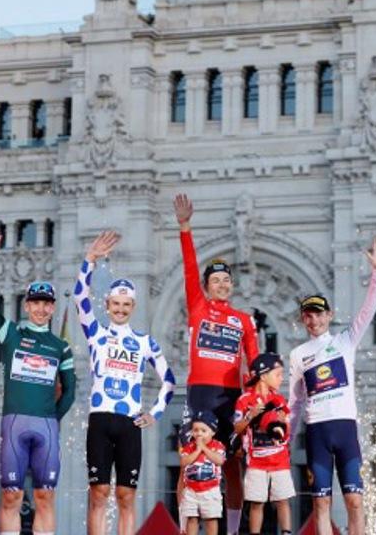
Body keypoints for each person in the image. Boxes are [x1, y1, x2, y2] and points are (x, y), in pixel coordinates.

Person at [0, 232, 76, 535]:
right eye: (36, 303)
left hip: (46, 427)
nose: (41, 309)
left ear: (53, 308)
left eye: (47, 304)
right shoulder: (11, 334)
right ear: (27, 307)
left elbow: (70, 390)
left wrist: (53, 418)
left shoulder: (61, 346)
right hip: (14, 425)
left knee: (45, 497)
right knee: (11, 496)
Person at [74, 230, 175, 535]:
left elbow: (169, 381)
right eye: (115, 305)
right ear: (108, 304)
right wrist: (89, 260)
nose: (120, 310)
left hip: (130, 423)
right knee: (99, 494)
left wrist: (154, 414)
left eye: (125, 305)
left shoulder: (144, 342)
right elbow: (80, 298)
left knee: (126, 496)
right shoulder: (97, 334)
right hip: (101, 420)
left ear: (133, 307)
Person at [288, 236, 376, 535]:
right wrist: (288, 441)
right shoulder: (298, 354)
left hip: (345, 429)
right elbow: (295, 403)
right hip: (317, 432)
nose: (314, 320)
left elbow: (368, 311)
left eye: (319, 313)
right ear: (302, 320)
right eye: (308, 315)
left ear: (329, 315)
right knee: (321, 504)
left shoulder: (345, 341)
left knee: (355, 501)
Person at [174, 193, 259, 535]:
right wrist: (185, 227)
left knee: (233, 464)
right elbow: (190, 267)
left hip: (230, 397)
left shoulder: (244, 320)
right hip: (200, 394)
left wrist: (256, 400)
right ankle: (186, 527)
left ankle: (233, 530)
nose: (223, 285)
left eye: (227, 280)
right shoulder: (198, 307)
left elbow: (254, 364)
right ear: (207, 288)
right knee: (189, 460)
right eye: (216, 281)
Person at [234, 353, 294, 535]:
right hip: (256, 462)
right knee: (256, 502)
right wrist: (250, 416)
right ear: (263, 375)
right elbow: (237, 428)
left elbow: (287, 433)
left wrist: (284, 423)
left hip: (280, 460)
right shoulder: (244, 400)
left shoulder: (280, 400)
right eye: (278, 374)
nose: (281, 379)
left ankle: (286, 532)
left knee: (283, 500)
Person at [179, 410, 227, 535]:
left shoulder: (218, 446)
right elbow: (184, 462)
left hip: (210, 489)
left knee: (211, 518)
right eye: (196, 430)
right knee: (192, 518)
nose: (199, 434)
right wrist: (197, 450)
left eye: (203, 430)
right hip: (191, 490)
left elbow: (219, 460)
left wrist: (204, 448)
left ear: (213, 432)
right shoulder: (189, 447)